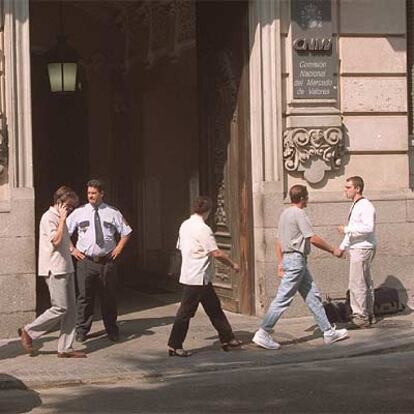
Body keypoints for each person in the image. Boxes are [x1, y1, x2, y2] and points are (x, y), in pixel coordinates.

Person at [252, 184, 349, 350]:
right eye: (307, 197)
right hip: (297, 260)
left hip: (293, 260)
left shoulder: (284, 214)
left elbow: (278, 241)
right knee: (283, 298)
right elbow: (312, 238)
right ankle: (264, 332)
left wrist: (281, 262)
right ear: (303, 198)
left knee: (313, 296)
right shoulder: (299, 214)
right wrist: (333, 249)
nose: (308, 199)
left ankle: (328, 331)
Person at [168, 196, 242, 357]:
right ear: (208, 211)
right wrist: (232, 264)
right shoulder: (203, 229)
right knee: (185, 313)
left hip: (192, 273)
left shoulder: (185, 225)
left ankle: (227, 338)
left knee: (214, 308)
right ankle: (175, 344)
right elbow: (215, 252)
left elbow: (180, 247)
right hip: (198, 276)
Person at [18, 186, 86, 358]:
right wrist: (63, 219)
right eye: (68, 206)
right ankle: (29, 331)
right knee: (60, 307)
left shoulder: (59, 217)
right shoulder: (49, 218)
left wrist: (73, 249)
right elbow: (55, 241)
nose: (70, 210)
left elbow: (65, 239)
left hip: (66, 267)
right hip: (55, 269)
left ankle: (65, 348)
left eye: (72, 207)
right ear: (59, 203)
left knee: (71, 310)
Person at [67, 179, 132, 342]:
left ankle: (111, 329)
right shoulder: (79, 212)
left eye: (94, 193)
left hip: (106, 262)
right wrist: (72, 250)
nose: (91, 196)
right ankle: (81, 330)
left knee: (108, 296)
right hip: (85, 261)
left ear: (102, 193)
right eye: (89, 193)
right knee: (84, 297)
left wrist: (118, 248)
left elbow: (126, 232)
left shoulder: (112, 212)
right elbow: (65, 232)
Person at [337, 176, 377, 328]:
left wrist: (346, 229)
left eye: (348, 187)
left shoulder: (365, 205)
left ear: (357, 188)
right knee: (365, 283)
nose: (345, 190)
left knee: (357, 283)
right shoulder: (357, 205)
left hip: (362, 248)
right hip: (359, 247)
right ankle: (368, 314)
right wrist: (342, 246)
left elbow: (368, 227)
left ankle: (360, 316)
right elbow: (353, 231)